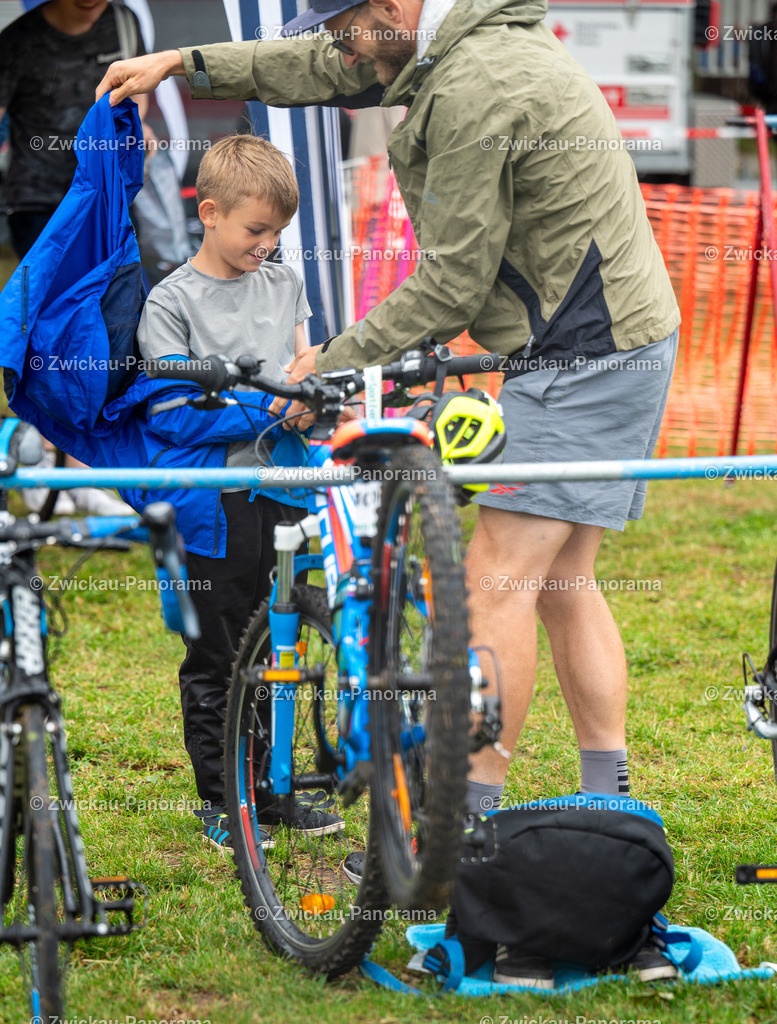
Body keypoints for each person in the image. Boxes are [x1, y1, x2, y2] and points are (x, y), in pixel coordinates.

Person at [96, 0, 680, 982]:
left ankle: (468, 843)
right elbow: (314, 67)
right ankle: (606, 804)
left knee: (498, 573)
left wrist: (339, 355)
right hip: (595, 336)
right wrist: (182, 61)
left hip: (587, 348)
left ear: (396, 10)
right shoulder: (444, 44)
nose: (342, 43)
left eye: (351, 21)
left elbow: (451, 283)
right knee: (566, 574)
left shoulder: (479, 82)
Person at [135, 133, 344, 852]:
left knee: (281, 643)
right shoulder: (169, 302)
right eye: (255, 230)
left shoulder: (285, 282)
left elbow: (304, 370)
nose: (266, 245)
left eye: (277, 233)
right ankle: (225, 800)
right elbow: (167, 414)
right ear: (209, 212)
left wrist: (312, 403)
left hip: (286, 490)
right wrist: (266, 406)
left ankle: (278, 788)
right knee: (217, 655)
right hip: (210, 505)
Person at [0, 0, 150, 515]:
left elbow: (139, 96)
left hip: (104, 207)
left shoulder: (125, 22)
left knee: (98, 338)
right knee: (46, 337)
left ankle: (75, 473)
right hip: (42, 209)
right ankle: (44, 469)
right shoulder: (17, 42)